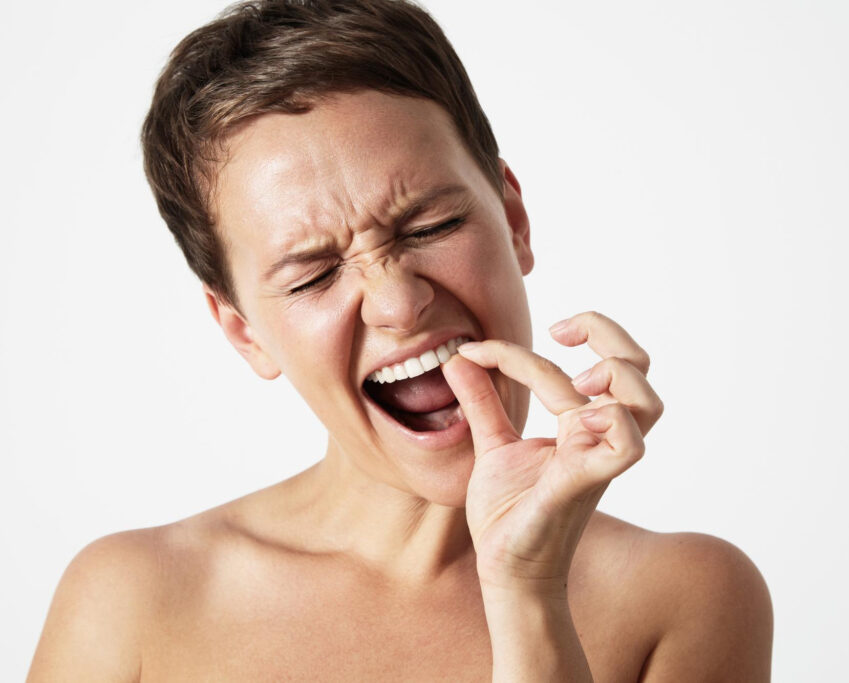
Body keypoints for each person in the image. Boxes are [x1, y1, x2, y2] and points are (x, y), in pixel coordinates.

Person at [27, 0, 772, 680]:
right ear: (244, 330)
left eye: (431, 227)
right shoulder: (128, 603)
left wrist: (528, 590)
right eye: (314, 274)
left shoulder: (687, 596)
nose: (398, 303)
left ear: (514, 219)